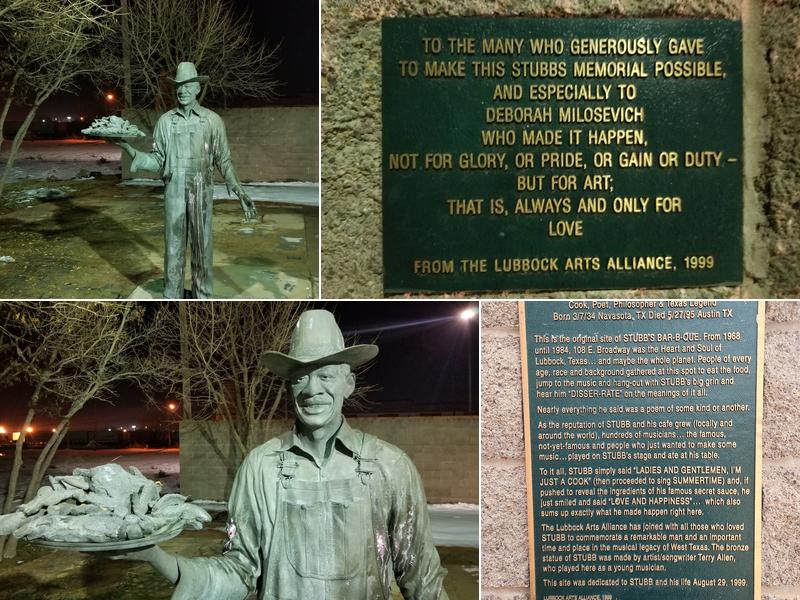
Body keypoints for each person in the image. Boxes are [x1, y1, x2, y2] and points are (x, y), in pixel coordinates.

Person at [122, 309, 449, 599]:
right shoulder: (260, 468)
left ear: (348, 383)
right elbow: (241, 569)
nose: (311, 390)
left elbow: (421, 577)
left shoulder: (390, 466)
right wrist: (156, 557)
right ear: (288, 386)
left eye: (325, 375)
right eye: (300, 378)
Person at [113, 62, 257, 299]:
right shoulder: (166, 122)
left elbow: (224, 161)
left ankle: (203, 298)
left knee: (202, 248)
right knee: (173, 247)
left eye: (188, 85)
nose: (182, 90)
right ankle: (172, 295)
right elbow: (158, 161)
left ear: (197, 88)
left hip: (201, 189)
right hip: (174, 190)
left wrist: (240, 193)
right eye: (179, 86)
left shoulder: (212, 121)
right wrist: (130, 149)